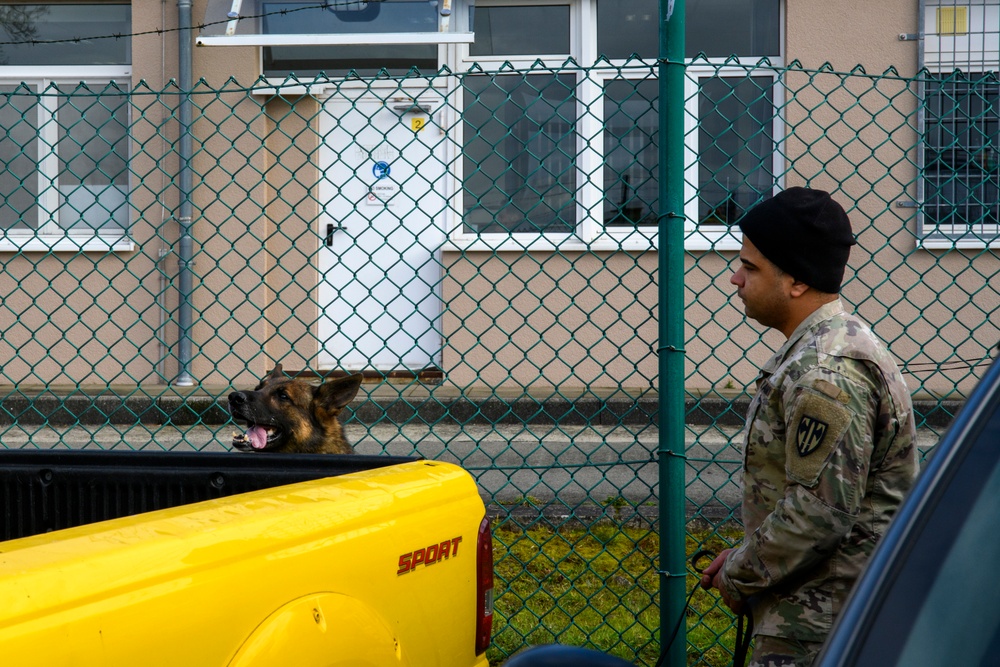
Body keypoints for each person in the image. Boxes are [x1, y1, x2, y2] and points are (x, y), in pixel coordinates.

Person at [700, 187, 919, 666]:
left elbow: (819, 513)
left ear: (795, 280)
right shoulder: (824, 348)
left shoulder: (825, 371)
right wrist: (747, 557)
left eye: (750, 267)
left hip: (823, 620)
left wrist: (740, 573)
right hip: (826, 605)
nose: (735, 279)